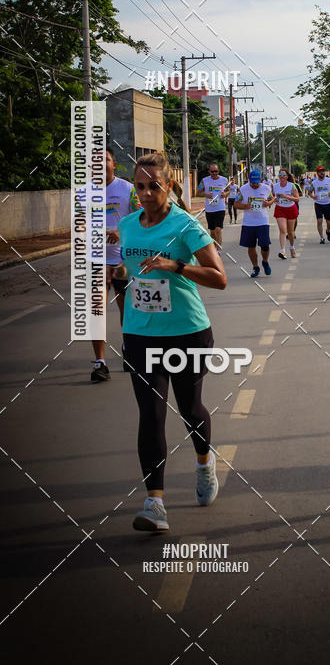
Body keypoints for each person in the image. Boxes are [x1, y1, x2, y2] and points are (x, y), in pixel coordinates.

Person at [118, 152, 227, 532]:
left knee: (190, 408)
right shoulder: (128, 225)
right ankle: (155, 503)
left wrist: (175, 266)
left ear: (169, 186)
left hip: (186, 333)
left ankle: (203, 461)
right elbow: (130, 272)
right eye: (140, 186)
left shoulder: (186, 226)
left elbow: (219, 277)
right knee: (151, 416)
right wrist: (121, 271)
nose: (146, 194)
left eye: (154, 186)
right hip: (139, 334)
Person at [79, 147, 140, 383]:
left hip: (123, 260)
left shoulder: (129, 190)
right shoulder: (83, 194)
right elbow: (78, 227)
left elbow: (141, 218)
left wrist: (120, 232)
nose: (99, 163)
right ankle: (100, 363)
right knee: (97, 312)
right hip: (95, 260)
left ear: (114, 164)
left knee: (128, 312)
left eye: (104, 159)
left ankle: (128, 349)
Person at [236, 169, 275, 276]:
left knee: (265, 245)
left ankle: (265, 262)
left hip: (263, 221)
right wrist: (245, 206)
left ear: (260, 180)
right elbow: (235, 203)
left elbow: (272, 199)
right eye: (252, 182)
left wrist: (268, 203)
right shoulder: (243, 189)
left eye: (256, 182)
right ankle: (255, 267)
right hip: (248, 223)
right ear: (249, 180)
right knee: (251, 246)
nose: (254, 184)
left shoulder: (266, 188)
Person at [197, 163, 229, 251]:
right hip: (209, 209)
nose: (214, 173)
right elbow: (198, 193)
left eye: (216, 171)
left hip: (220, 208)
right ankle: (214, 249)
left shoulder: (224, 180)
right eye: (212, 171)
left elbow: (229, 190)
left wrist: (225, 194)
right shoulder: (204, 180)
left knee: (218, 230)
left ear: (218, 171)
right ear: (209, 171)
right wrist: (206, 195)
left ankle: (218, 251)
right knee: (212, 232)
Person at [272, 169, 300, 259]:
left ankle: (292, 247)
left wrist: (286, 196)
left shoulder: (291, 186)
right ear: (278, 176)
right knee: (283, 230)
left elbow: (297, 199)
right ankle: (283, 251)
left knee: (291, 232)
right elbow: (273, 197)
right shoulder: (275, 186)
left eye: (284, 175)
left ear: (287, 176)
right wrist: (274, 200)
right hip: (280, 209)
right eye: (280, 175)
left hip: (291, 209)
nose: (282, 176)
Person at [309, 166, 330, 243]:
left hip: (328, 204)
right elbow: (309, 192)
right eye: (320, 171)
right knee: (319, 221)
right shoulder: (314, 183)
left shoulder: (329, 180)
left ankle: (327, 231)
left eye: (323, 171)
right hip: (318, 204)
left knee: (329, 223)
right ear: (317, 173)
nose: (322, 173)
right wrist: (313, 196)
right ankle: (321, 238)